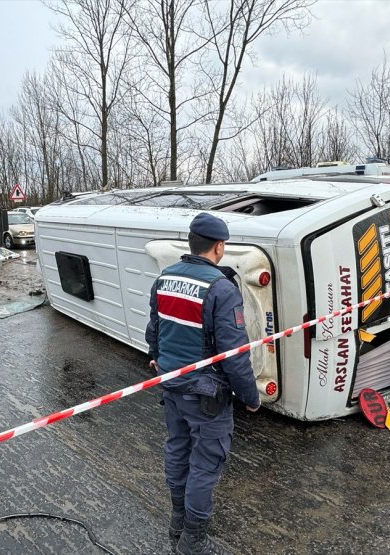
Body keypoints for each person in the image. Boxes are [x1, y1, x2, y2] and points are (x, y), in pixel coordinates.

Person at [145, 213, 260, 555]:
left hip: (172, 386)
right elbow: (234, 354)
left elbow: (155, 327)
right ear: (219, 247)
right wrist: (250, 397)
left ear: (191, 244)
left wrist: (155, 356)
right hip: (206, 395)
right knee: (206, 463)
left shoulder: (165, 278)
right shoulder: (221, 289)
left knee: (178, 450)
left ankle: (177, 524)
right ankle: (193, 540)